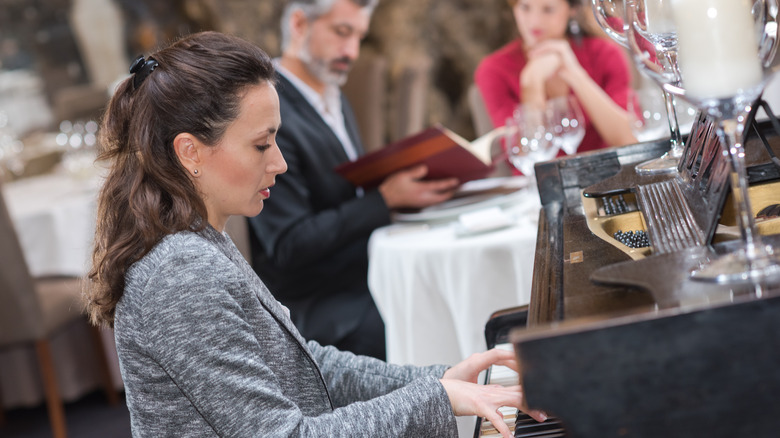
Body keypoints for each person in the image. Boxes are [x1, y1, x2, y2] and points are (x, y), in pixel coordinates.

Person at [84, 31, 545, 438]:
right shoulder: (180, 273)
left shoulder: (199, 241)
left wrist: (440, 380)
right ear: (190, 152)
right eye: (261, 144)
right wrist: (438, 400)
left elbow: (305, 366)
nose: (279, 163)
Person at [247, 0, 459, 360]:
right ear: (299, 24)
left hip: (363, 273)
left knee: (445, 285)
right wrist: (384, 201)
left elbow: (344, 193)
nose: (352, 51)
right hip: (320, 302)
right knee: (429, 308)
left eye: (359, 36)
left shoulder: (333, 96)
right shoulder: (270, 113)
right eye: (342, 32)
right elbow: (288, 245)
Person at [475, 0, 637, 158]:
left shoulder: (604, 53)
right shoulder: (494, 69)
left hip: (607, 176)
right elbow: (525, 153)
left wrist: (575, 74)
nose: (535, 21)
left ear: (572, 9)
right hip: (540, 183)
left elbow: (630, 140)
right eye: (525, 7)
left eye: (548, 9)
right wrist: (531, 84)